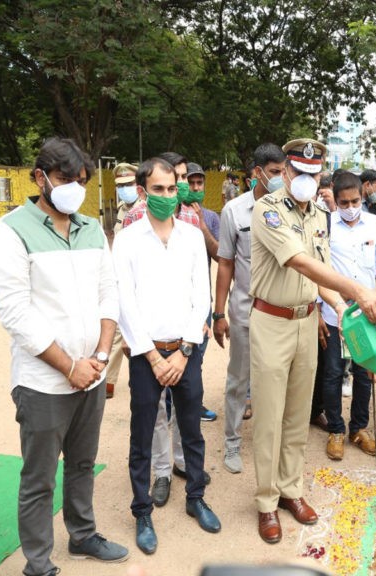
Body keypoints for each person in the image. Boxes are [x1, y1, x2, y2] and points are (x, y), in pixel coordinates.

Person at [0, 137, 129, 575]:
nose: (75, 188)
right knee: (38, 476)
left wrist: (100, 356)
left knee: (83, 463)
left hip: (90, 372)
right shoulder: (10, 232)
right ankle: (38, 563)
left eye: (81, 180)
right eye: (66, 179)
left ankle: (83, 535)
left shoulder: (91, 229)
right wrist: (68, 365)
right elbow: (14, 312)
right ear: (40, 178)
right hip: (43, 381)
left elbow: (110, 294)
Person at [249, 138, 376, 545]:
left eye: (314, 174)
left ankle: (291, 490)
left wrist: (341, 309)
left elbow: (319, 272)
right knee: (270, 417)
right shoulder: (267, 211)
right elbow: (297, 262)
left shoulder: (319, 216)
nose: (306, 180)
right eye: (298, 172)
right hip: (272, 322)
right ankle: (266, 502)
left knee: (296, 416)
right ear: (285, 172)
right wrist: (357, 291)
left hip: (308, 323)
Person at [113, 157, 221, 555]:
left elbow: (202, 298)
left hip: (185, 351)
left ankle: (196, 497)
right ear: (143, 192)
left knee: (191, 431)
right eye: (158, 189)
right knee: (142, 436)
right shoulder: (127, 239)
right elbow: (125, 302)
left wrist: (184, 351)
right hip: (145, 355)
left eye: (172, 189)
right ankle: (142, 511)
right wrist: (155, 359)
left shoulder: (192, 236)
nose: (167, 196)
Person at [213, 143, 286, 474]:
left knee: (274, 377)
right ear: (257, 173)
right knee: (238, 379)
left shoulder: (288, 208)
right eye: (274, 172)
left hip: (279, 311)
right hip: (244, 309)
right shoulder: (234, 211)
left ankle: (271, 441)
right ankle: (231, 442)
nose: (281, 178)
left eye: (284, 171)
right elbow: (225, 263)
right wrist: (218, 313)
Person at [320, 171, 376, 461]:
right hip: (335, 313)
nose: (349, 207)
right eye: (343, 202)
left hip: (365, 314)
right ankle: (336, 429)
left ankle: (359, 428)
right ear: (335, 198)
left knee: (364, 373)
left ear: (362, 196)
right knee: (333, 373)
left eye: (355, 201)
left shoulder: (374, 224)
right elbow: (318, 269)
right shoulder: (326, 225)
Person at [106, 162, 140, 399]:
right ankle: (108, 381)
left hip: (140, 278)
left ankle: (109, 381)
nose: (124, 189)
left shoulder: (144, 209)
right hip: (121, 276)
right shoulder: (123, 208)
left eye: (128, 184)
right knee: (118, 327)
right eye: (120, 186)